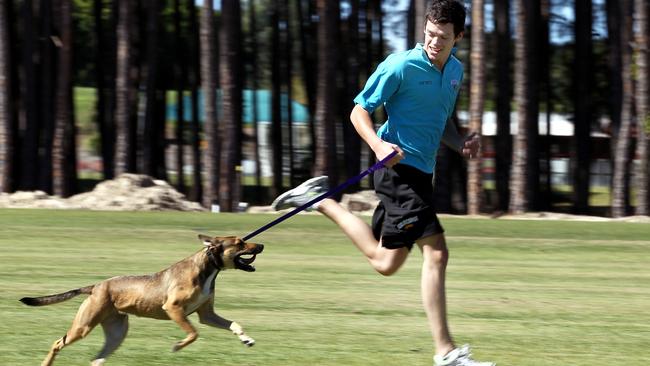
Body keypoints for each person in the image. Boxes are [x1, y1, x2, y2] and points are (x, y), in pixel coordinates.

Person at [271, 1, 494, 365]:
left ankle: (318, 200)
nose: (434, 42)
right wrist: (377, 146)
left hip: (422, 175)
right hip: (395, 171)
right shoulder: (400, 65)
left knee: (384, 262)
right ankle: (446, 352)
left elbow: (442, 122)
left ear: (459, 37)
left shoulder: (455, 71)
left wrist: (460, 143)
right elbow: (359, 110)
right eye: (430, 34)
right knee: (437, 251)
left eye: (443, 37)